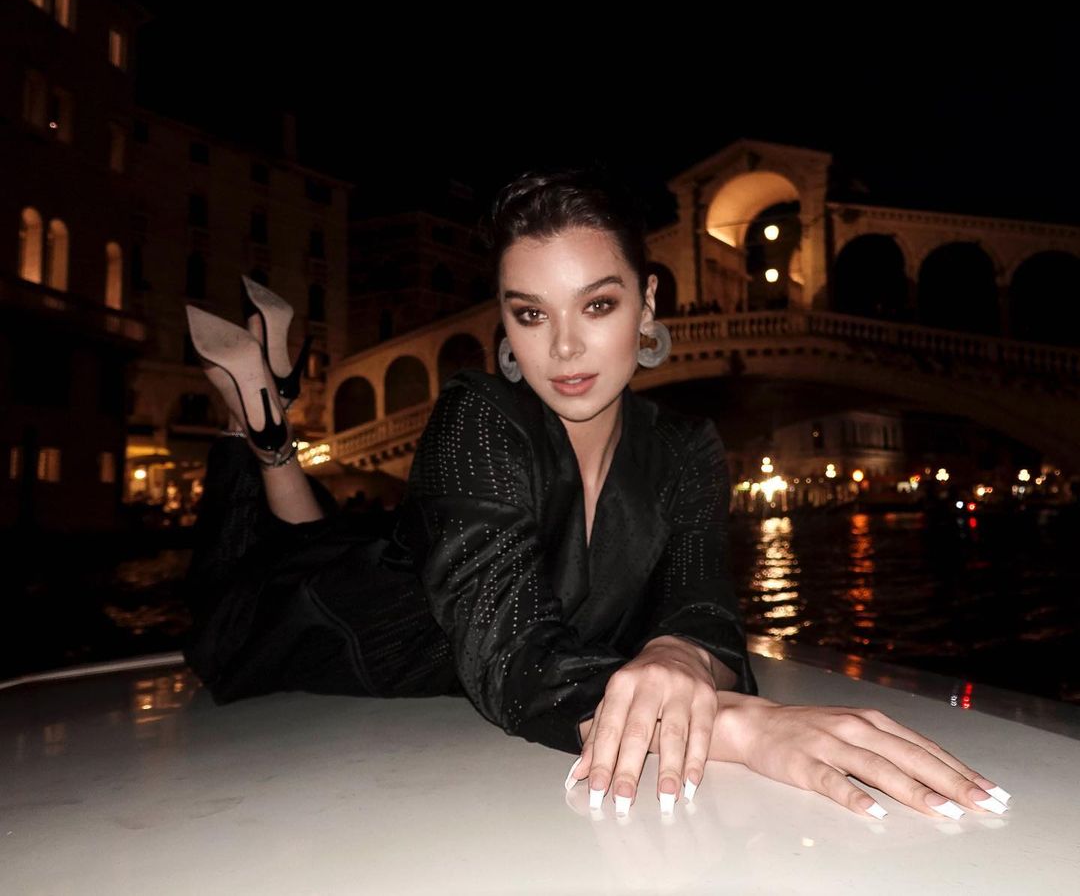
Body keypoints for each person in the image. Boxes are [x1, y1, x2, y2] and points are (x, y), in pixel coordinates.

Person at [182, 169, 1012, 820]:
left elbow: (702, 603)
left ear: (649, 301)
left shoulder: (686, 447)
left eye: (599, 304)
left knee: (314, 538)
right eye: (531, 314)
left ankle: (265, 400)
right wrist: (742, 727)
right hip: (337, 630)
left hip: (383, 569)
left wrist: (681, 656)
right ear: (504, 326)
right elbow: (510, 655)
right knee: (271, 573)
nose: (567, 346)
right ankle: (252, 415)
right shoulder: (476, 415)